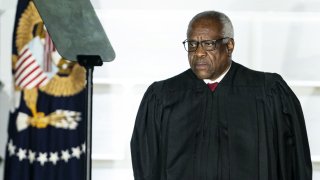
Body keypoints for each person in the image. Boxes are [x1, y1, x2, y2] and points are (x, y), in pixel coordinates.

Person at [130, 10, 312, 180]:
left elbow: (295, 161)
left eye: (208, 44)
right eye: (192, 44)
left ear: (229, 45)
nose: (199, 52)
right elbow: (146, 167)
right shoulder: (162, 97)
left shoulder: (268, 92)